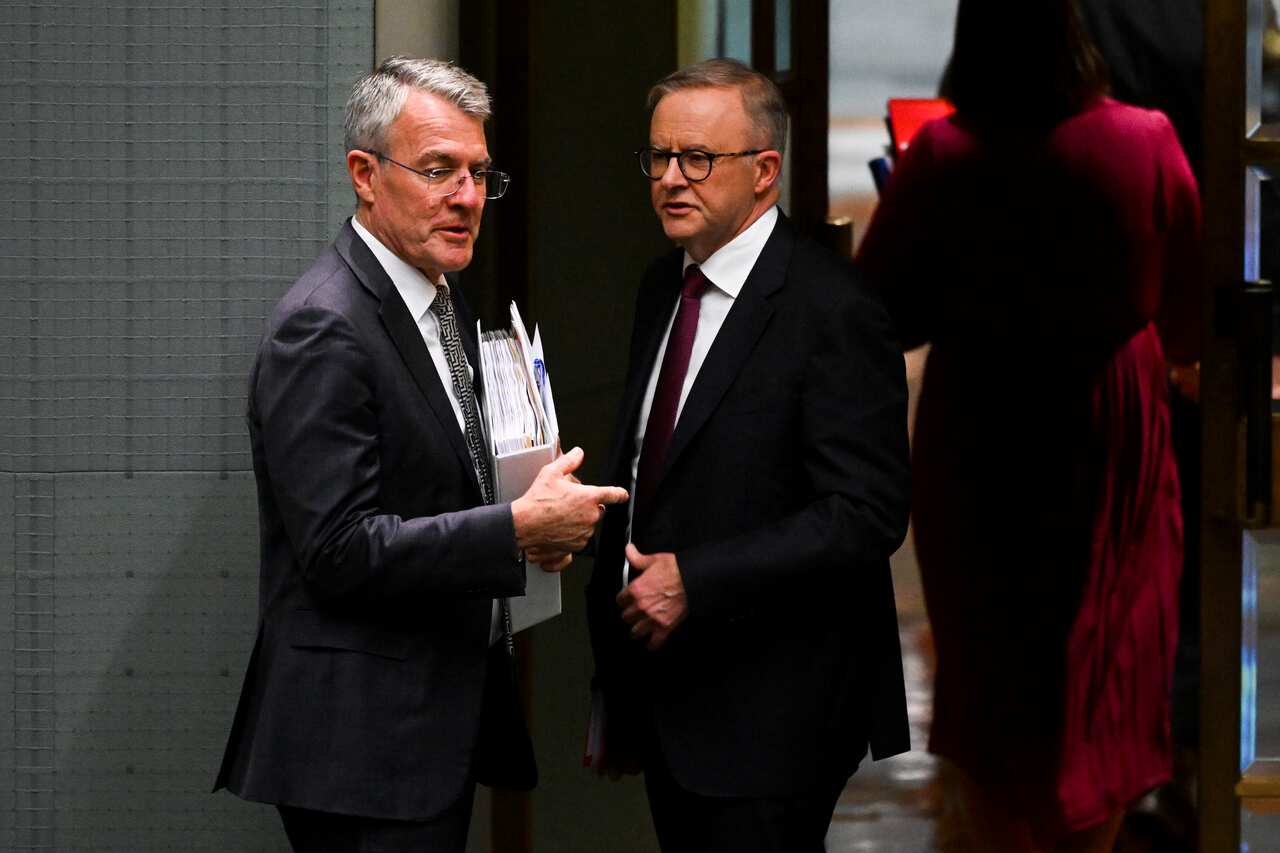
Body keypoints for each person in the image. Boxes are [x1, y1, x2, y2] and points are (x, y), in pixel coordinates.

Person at [213, 56, 628, 853]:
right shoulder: (323, 326)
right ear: (364, 175)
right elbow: (337, 550)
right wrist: (515, 526)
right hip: (361, 744)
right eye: (439, 170)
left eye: (478, 173)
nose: (467, 197)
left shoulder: (437, 294)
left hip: (425, 723)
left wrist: (527, 502)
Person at [856, 1, 1201, 850]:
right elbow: (1193, 317)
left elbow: (880, 316)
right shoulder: (1147, 140)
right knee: (1106, 655)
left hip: (982, 431)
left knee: (994, 662)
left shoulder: (941, 156)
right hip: (1108, 432)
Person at [586, 58, 912, 853]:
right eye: (658, 157)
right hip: (669, 695)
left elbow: (866, 514)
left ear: (765, 172)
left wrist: (696, 579)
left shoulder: (833, 309)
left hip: (775, 711)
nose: (670, 178)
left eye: (697, 158)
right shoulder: (663, 285)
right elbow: (652, 468)